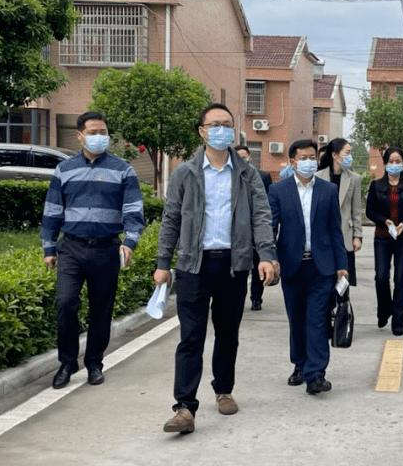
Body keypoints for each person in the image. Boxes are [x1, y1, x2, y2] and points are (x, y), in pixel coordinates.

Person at [155, 103, 278, 434]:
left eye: (227, 124)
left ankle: (223, 389)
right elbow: (171, 219)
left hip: (233, 265)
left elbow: (261, 216)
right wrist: (162, 264)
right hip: (194, 266)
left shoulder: (247, 174)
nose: (221, 130)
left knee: (227, 333)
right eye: (215, 124)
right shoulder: (185, 173)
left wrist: (266, 254)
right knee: (191, 337)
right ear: (202, 131)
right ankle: (184, 407)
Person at [41, 111, 145, 389]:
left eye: (103, 132)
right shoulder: (64, 169)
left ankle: (95, 363)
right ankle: (67, 362)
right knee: (65, 303)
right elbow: (52, 210)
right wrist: (49, 247)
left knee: (101, 309)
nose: (99, 137)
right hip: (71, 248)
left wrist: (130, 241)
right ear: (79, 136)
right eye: (93, 132)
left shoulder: (123, 169)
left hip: (106, 248)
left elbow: (134, 210)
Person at [268, 139, 348, 395]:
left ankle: (316, 374)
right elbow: (270, 228)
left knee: (317, 320)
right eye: (303, 157)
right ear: (292, 162)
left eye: (312, 156)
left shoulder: (327, 190)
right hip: (292, 266)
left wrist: (341, 265)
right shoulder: (278, 191)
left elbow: (335, 230)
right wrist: (269, 258)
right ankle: (299, 365)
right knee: (297, 319)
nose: (309, 161)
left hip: (321, 267)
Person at [365, 147, 403, 335]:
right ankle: (384, 311)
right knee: (381, 277)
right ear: (385, 163)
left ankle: (399, 320)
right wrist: (384, 221)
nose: (394, 165)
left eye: (398, 161)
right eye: (391, 161)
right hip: (382, 238)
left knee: (400, 279)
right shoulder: (376, 186)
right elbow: (370, 211)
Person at [317, 138, 364, 286]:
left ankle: (342, 308)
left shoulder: (354, 179)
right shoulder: (318, 177)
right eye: (347, 153)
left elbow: (356, 210)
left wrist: (358, 236)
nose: (350, 157)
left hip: (345, 234)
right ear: (335, 155)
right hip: (323, 235)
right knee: (324, 282)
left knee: (343, 284)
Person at [234, 144, 272, 311]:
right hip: (238, 231)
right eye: (239, 157)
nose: (243, 160)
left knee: (259, 264)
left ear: (250, 157)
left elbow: (266, 203)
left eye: (245, 157)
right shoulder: (231, 176)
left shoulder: (262, 176)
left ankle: (256, 298)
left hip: (255, 228)